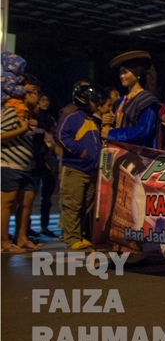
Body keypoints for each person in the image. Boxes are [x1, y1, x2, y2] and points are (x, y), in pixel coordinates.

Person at [56, 84, 105, 250]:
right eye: (94, 101)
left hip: (90, 170)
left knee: (85, 205)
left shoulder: (91, 120)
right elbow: (62, 136)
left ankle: (80, 235)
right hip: (75, 169)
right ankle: (71, 238)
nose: (97, 104)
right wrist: (81, 151)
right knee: (73, 205)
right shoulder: (73, 117)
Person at [1, 76, 41, 252]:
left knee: (27, 202)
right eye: (33, 92)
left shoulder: (26, 113)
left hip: (26, 166)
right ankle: (4, 243)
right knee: (7, 203)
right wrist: (22, 130)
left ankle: (22, 238)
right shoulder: (11, 111)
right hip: (9, 163)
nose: (37, 96)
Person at [106, 51, 161, 148]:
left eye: (125, 72)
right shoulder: (122, 100)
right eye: (120, 72)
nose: (122, 76)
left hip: (138, 156)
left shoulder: (147, 100)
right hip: (121, 152)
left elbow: (143, 130)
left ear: (137, 73)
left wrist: (112, 134)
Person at [32, 92, 58, 238]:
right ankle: (27, 228)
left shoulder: (50, 119)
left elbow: (54, 136)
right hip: (36, 159)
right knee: (29, 197)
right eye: (42, 99)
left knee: (47, 198)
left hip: (49, 159)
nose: (45, 102)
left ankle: (44, 226)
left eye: (47, 99)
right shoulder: (34, 118)